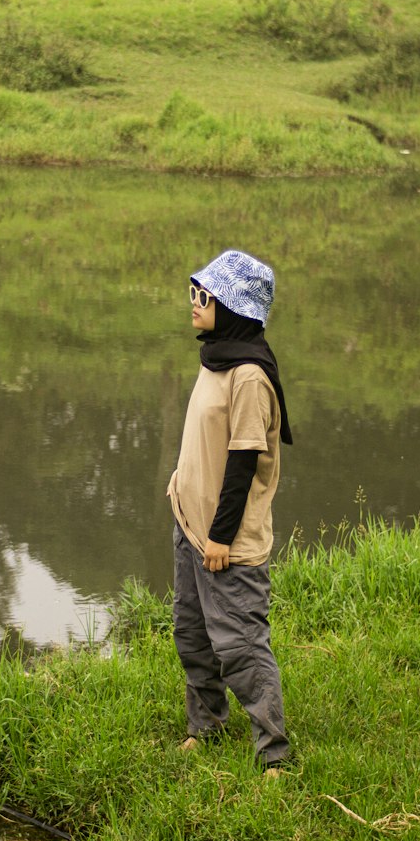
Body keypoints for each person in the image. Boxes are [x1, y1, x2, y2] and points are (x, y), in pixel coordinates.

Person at [167, 248, 292, 773]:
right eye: (195, 291)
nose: (193, 302)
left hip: (227, 543)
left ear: (234, 305)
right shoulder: (218, 354)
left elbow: (243, 463)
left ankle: (274, 757)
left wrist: (219, 537)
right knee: (192, 634)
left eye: (205, 295)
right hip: (191, 527)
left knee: (239, 646)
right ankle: (207, 725)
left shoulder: (248, 376)